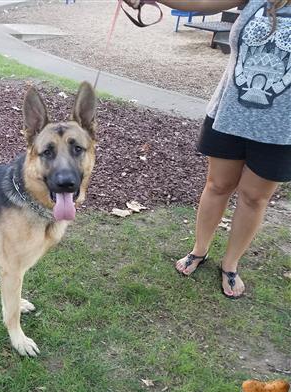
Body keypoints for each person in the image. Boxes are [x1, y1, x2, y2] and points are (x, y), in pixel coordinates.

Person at [124, 0, 291, 298]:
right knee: (217, 185)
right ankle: (199, 250)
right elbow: (200, 3)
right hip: (230, 113)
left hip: (282, 127)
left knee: (254, 198)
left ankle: (230, 264)